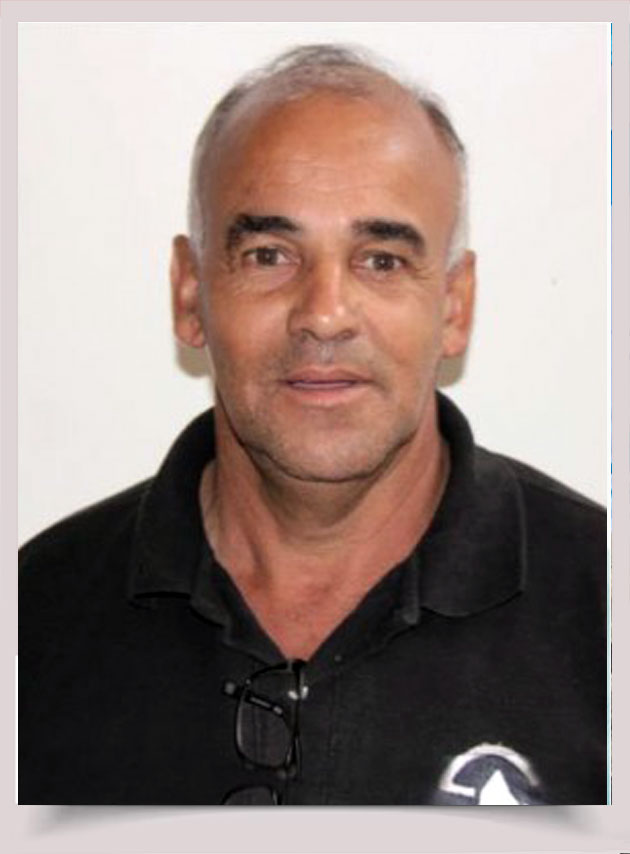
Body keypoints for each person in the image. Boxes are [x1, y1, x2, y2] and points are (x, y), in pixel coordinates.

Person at [18, 44, 606, 806]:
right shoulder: (33, 618)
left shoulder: (604, 609)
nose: (325, 315)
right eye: (269, 255)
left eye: (381, 260)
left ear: (454, 306)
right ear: (190, 295)